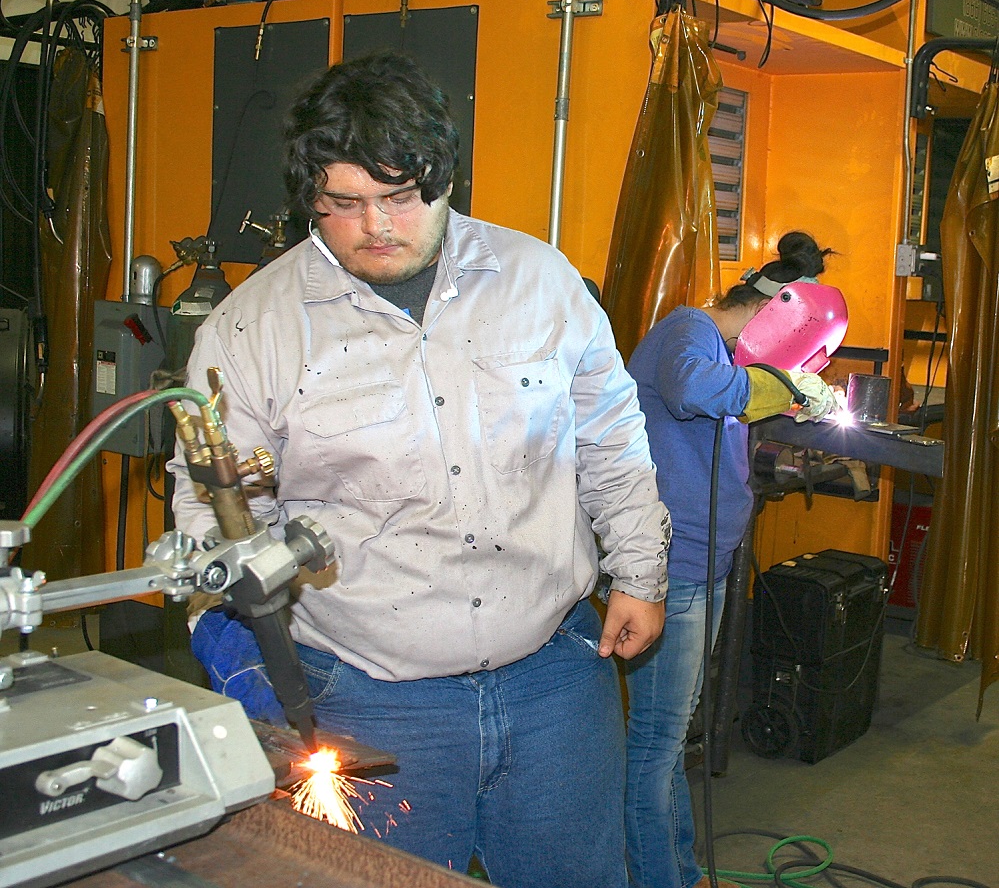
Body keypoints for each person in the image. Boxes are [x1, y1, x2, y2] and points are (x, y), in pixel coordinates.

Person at [168, 50, 671, 888]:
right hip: (366, 693)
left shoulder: (541, 283)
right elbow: (212, 514)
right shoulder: (248, 331)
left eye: (402, 198)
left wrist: (640, 573)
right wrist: (235, 638)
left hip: (555, 676)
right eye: (345, 204)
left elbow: (610, 439)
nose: (377, 226)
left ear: (444, 182)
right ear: (310, 200)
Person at [623, 232, 838, 888]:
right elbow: (697, 391)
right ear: (774, 312)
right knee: (656, 743)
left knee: (671, 740)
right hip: (672, 569)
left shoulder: (724, 353)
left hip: (704, 568)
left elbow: (733, 402)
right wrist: (781, 384)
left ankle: (680, 871)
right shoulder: (687, 330)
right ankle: (661, 879)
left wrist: (798, 396)